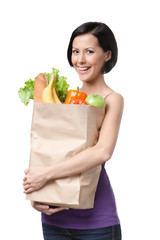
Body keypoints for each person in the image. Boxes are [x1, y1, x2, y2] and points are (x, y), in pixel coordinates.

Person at [23, 22, 124, 240]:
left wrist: (45, 175)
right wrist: (37, 194)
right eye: (75, 51)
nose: (80, 60)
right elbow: (48, 148)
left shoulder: (111, 100)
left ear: (107, 55)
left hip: (97, 223)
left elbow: (102, 152)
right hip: (53, 220)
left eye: (89, 52)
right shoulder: (65, 99)